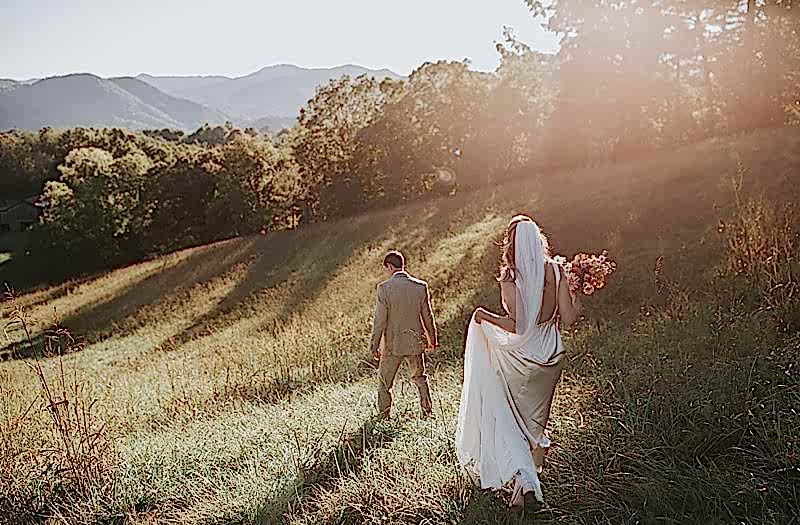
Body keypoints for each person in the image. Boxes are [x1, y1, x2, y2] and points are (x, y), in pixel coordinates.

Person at [455, 215, 582, 510]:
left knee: (512, 423)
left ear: (511, 243)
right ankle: (523, 490)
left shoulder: (511, 277)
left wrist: (483, 316)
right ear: (538, 240)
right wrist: (578, 298)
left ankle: (526, 484)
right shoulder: (556, 270)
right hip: (550, 355)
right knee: (534, 426)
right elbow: (571, 316)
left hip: (521, 358)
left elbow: (518, 325)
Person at [368, 250, 438, 419]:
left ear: (390, 266)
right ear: (403, 264)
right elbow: (427, 316)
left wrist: (374, 345)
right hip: (415, 342)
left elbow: (379, 321)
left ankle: (384, 416)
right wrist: (432, 339)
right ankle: (427, 412)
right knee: (420, 378)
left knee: (385, 383)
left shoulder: (384, 288)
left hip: (393, 344)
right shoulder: (420, 287)